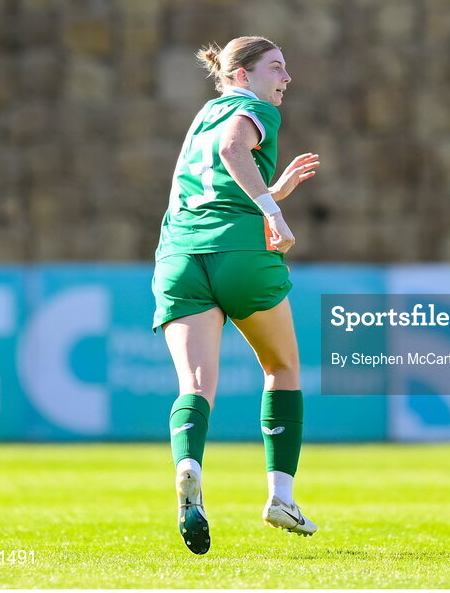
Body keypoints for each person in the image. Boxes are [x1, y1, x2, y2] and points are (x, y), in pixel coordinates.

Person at [151, 35, 321, 554]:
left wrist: (275, 190)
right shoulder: (254, 108)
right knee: (283, 368)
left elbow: (219, 170)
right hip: (242, 253)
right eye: (276, 68)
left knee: (195, 386)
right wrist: (273, 211)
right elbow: (233, 149)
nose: (285, 79)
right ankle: (280, 496)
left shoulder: (204, 113)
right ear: (242, 76)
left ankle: (188, 468)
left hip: (180, 256)